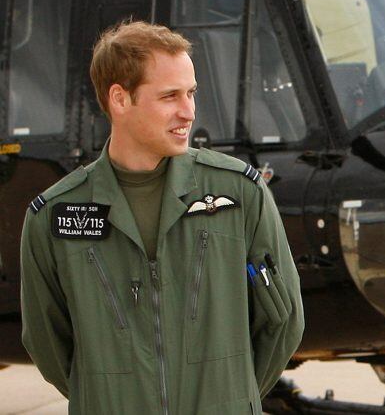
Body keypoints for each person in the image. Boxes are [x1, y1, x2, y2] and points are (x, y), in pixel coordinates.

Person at [20, 21, 303, 414]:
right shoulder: (54, 217)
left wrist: (231, 396)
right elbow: (48, 343)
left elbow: (282, 319)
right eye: (170, 96)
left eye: (191, 93)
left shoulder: (240, 194)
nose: (188, 111)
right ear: (120, 99)